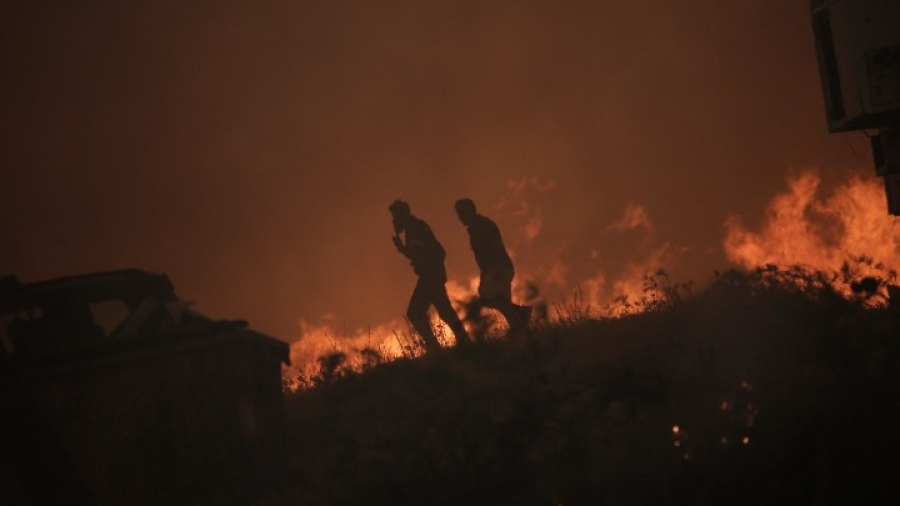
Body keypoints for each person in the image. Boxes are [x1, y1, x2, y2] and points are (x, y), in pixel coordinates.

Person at [389, 200, 471, 351]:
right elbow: (420, 251)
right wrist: (402, 248)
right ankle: (464, 340)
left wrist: (404, 250)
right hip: (432, 274)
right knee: (445, 310)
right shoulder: (413, 228)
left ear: (402, 215)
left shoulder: (416, 227)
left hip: (430, 275)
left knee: (414, 312)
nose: (394, 221)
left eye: (395, 216)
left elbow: (434, 250)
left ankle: (434, 347)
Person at [454, 198, 531, 333]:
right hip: (492, 270)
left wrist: (497, 269)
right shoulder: (474, 229)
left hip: (500, 269)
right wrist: (484, 277)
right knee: (495, 300)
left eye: (461, 213)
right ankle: (520, 322)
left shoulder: (484, 225)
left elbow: (497, 247)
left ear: (469, 211)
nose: (459, 218)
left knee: (491, 299)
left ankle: (519, 323)